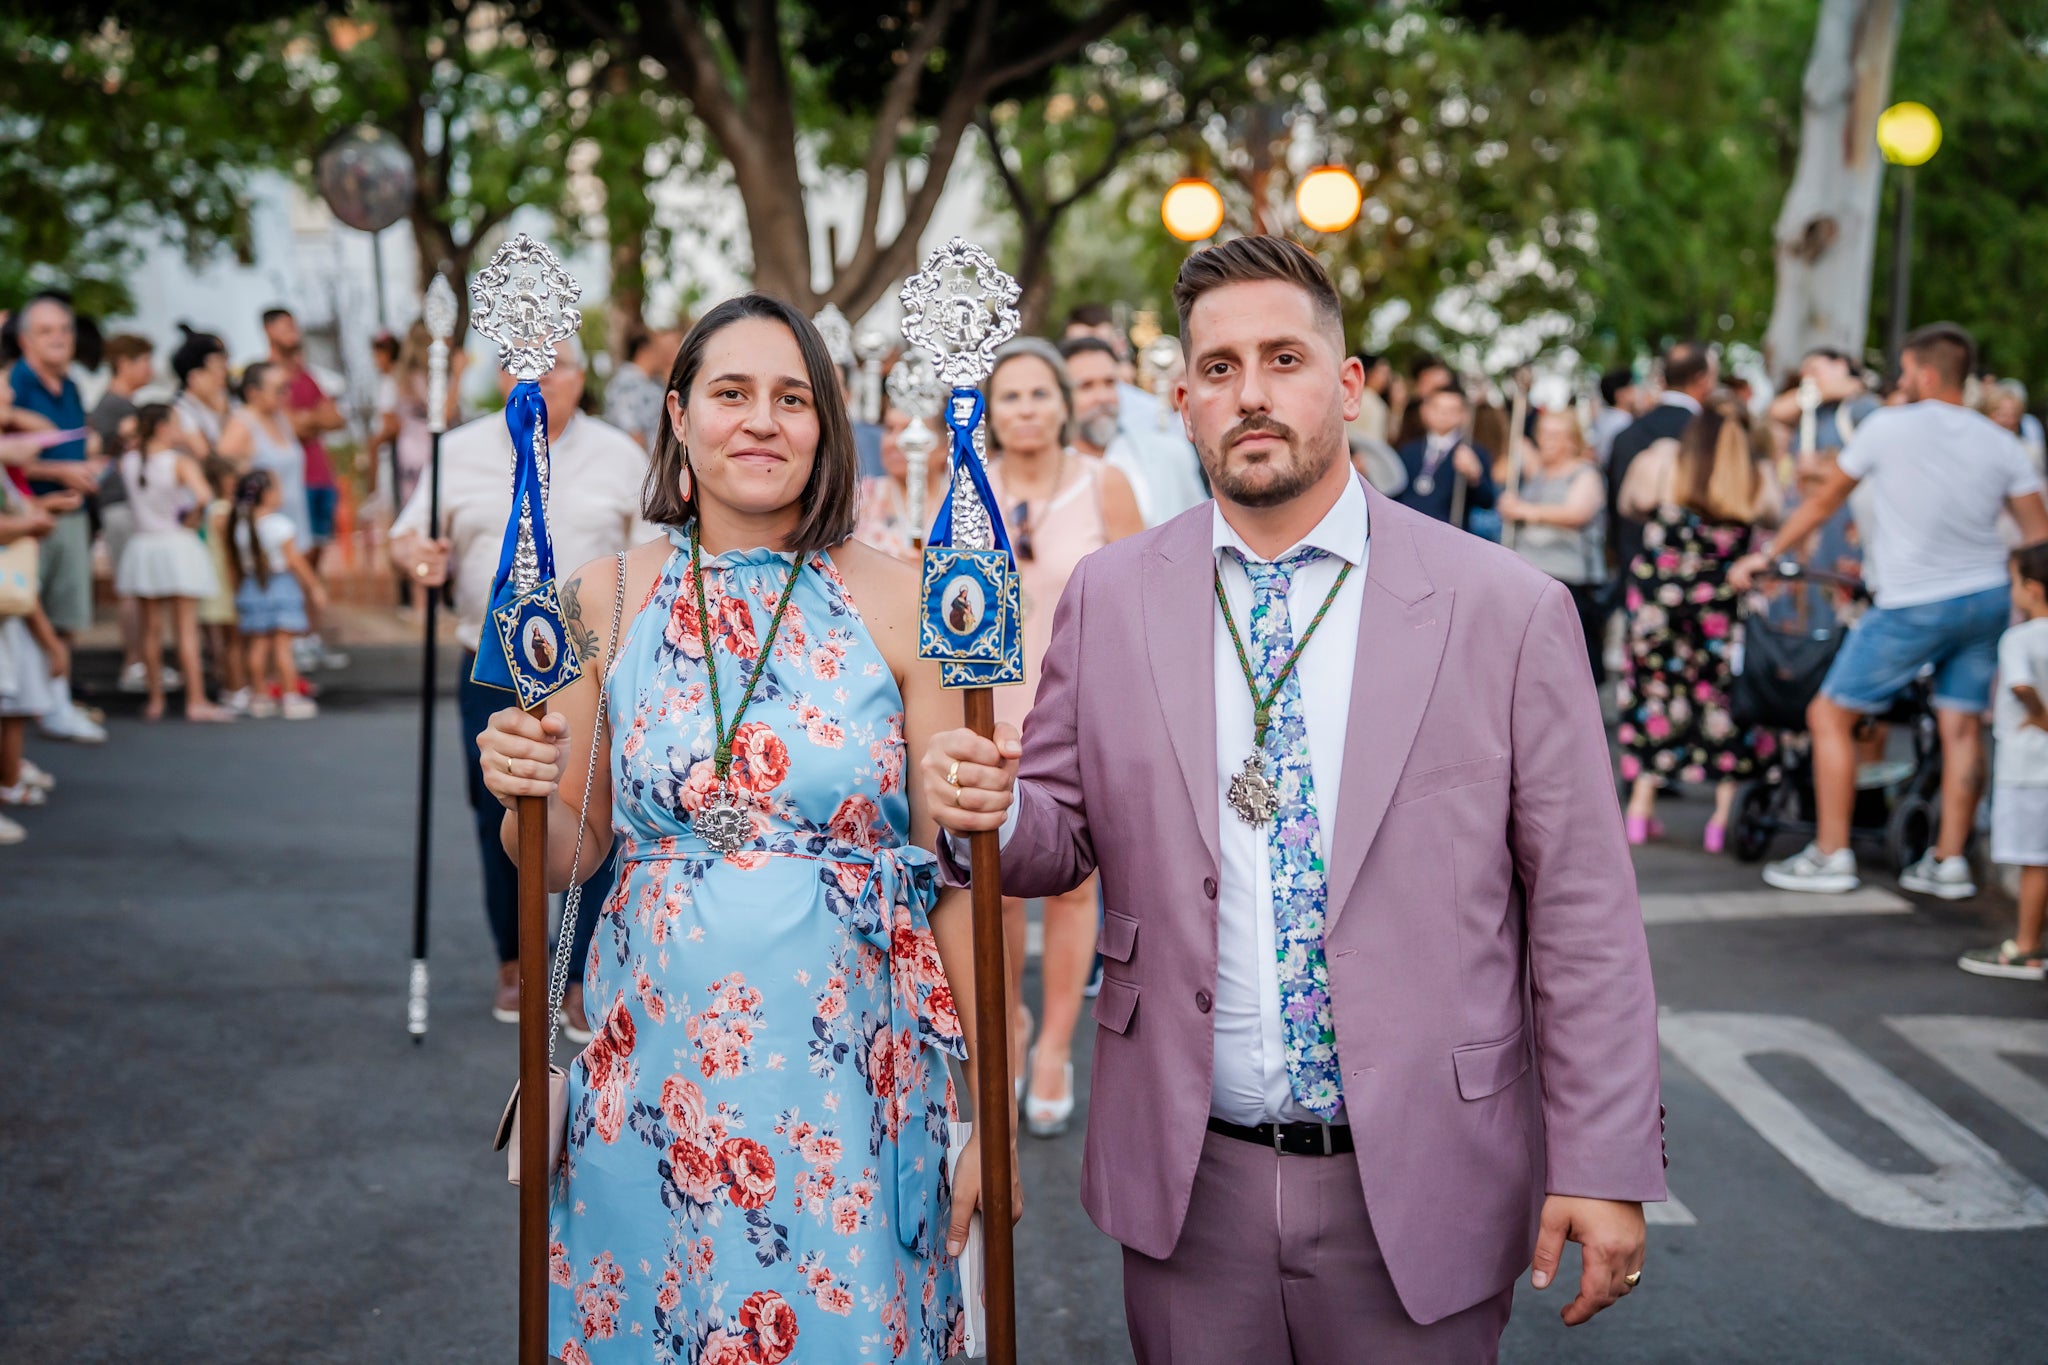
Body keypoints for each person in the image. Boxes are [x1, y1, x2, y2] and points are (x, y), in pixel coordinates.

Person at [925, 235, 1662, 1362]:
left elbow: (1582, 911)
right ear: (1180, 402)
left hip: (1418, 1175)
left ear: (1349, 385)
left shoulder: (1503, 610)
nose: (1251, 394)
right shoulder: (1112, 597)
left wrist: (1603, 1161)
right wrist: (977, 806)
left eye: (1282, 358)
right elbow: (1053, 837)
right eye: (1217, 369)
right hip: (1189, 1178)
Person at [473, 294, 990, 1363]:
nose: (762, 421)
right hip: (654, 1078)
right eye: (731, 393)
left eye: (792, 398)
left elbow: (960, 874)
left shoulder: (912, 602)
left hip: (857, 1086)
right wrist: (520, 793)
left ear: (825, 424)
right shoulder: (595, 601)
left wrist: (988, 1114)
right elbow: (568, 855)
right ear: (677, 414)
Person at [389, 341, 651, 1037]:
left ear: (581, 373)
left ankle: (580, 971)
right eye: (520, 362)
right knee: (499, 805)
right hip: (493, 655)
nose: (540, 377)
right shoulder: (462, 448)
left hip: (594, 657)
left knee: (598, 805)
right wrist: (419, 557)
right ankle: (515, 956)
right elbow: (407, 535)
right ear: (500, 374)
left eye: (559, 363)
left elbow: (653, 546)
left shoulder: (621, 455)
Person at [1734, 323, 2048, 896]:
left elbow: (1825, 499)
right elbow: (2037, 536)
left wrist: (1768, 555)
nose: (1900, 382)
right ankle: (1947, 861)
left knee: (1829, 715)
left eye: (1904, 372)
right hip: (1985, 601)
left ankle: (1831, 853)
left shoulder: (1888, 427)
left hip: (1911, 601)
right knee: (1959, 727)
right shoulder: (2001, 443)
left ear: (1925, 374)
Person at [980, 338, 1143, 1138]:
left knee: (1077, 883)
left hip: (1080, 705)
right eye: (1009, 397)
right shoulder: (965, 491)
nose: (1026, 410)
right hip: (995, 708)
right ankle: (1008, 1022)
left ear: (1063, 403)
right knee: (1001, 880)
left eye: (1039, 394)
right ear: (992, 411)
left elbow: (1144, 595)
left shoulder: (1102, 484)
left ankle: (1053, 1045)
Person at [1615, 394, 1781, 849]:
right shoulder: (1756, 474)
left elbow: (1631, 504)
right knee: (1726, 706)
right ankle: (1718, 820)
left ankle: (1640, 809)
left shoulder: (1663, 461)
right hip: (1721, 609)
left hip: (1657, 603)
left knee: (1654, 697)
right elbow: (1774, 519)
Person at [8, 295, 104, 745]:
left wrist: (87, 464)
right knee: (23, 615)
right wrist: (58, 471)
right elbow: (11, 461)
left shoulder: (70, 386)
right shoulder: (15, 386)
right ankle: (24, 724)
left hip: (70, 514)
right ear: (26, 340)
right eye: (46, 331)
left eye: (64, 329)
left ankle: (56, 704)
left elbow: (72, 444)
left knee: (64, 616)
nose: (58, 339)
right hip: (27, 518)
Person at [1959, 541, 2048, 978]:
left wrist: (2042, 717)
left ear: (2032, 589)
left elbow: (2020, 686)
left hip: (2029, 771)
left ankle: (2026, 947)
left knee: (2036, 862)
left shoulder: (2020, 637)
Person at [117, 404, 233, 723]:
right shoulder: (179, 463)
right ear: (162, 428)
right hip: (177, 545)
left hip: (144, 547)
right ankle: (196, 700)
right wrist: (190, 520)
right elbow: (203, 496)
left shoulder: (128, 462)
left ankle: (155, 700)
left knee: (150, 631)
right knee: (186, 630)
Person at [261, 307, 347, 669]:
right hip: (293, 485)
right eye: (285, 325)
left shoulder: (306, 376)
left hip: (319, 476)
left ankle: (308, 636)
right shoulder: (267, 375)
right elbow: (290, 426)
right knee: (293, 561)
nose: (293, 331)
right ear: (268, 331)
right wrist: (312, 421)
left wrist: (309, 420)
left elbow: (335, 418)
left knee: (314, 560)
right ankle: (291, 638)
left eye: (294, 324)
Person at [1498, 409, 1609, 683]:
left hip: (1568, 575)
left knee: (1572, 659)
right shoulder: (1539, 473)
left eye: (1555, 435)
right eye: (1543, 434)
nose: (1546, 440)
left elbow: (1576, 513)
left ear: (1572, 440)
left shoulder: (1585, 473)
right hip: (1530, 572)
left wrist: (1524, 510)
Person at [1060, 334, 1209, 525]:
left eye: (1109, 383)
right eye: (1086, 386)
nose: (1103, 397)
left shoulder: (1171, 453)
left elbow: (1202, 529)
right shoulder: (1046, 469)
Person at [1606, 342, 1716, 593]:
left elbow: (1615, 508)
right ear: (1702, 379)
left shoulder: (1627, 434)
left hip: (1635, 569)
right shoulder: (1712, 437)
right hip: (1701, 579)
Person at [92, 334, 161, 694]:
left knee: (137, 585)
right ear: (123, 363)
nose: (150, 369)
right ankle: (135, 663)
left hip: (126, 506)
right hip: (119, 505)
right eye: (144, 360)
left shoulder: (119, 405)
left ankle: (141, 661)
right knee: (132, 586)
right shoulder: (113, 407)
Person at [228, 469, 323, 719]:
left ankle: (259, 696)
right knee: (283, 646)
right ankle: (291, 696)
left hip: (252, 586)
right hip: (280, 585)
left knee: (258, 645)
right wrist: (314, 585)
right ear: (268, 495)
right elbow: (294, 559)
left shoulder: (242, 527)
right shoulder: (280, 525)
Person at [218, 363, 311, 547]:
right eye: (279, 390)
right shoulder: (242, 425)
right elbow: (224, 477)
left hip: (293, 521)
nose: (286, 395)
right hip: (265, 535)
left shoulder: (280, 418)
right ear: (254, 392)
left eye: (287, 388)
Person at [852, 398, 949, 564]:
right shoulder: (859, 498)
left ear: (944, 445)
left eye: (908, 430)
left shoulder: (964, 504)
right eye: (889, 429)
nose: (893, 442)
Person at [1394, 382, 1495, 530]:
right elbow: (1394, 492)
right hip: (1408, 530)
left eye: (1451, 410)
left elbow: (1487, 501)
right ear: (1425, 410)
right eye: (1437, 408)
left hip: (1450, 534)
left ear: (1463, 414)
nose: (1443, 414)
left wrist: (1474, 476)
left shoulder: (1473, 453)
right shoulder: (1408, 451)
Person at [602, 323, 681, 450]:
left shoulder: (650, 383)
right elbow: (632, 434)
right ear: (644, 349)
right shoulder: (627, 384)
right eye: (658, 348)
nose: (663, 355)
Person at [170, 326, 233, 459]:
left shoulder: (229, 400)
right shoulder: (181, 411)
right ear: (195, 376)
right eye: (218, 368)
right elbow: (206, 456)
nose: (224, 374)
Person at [1590, 367, 1641, 466]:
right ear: (1620, 395)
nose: (1636, 391)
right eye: (1631, 387)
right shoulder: (1624, 424)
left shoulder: (1602, 419)